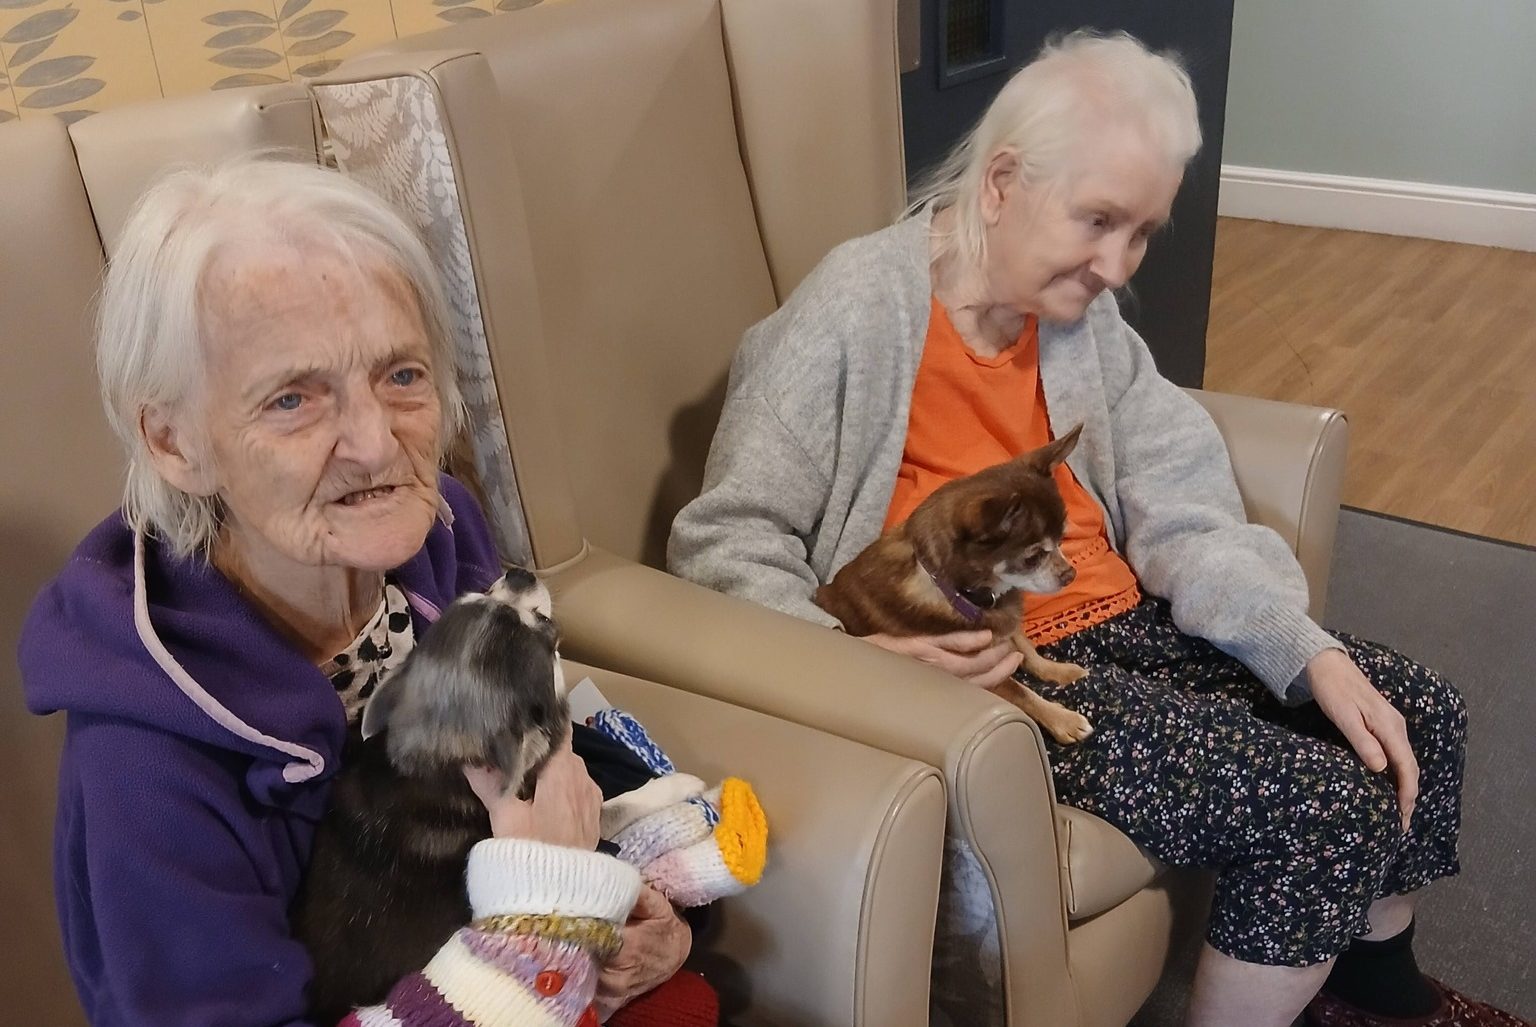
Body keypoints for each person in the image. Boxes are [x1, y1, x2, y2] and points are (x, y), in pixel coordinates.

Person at [669, 30, 1526, 1027]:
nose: (1118, 266)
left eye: (1143, 232)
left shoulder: (1078, 318)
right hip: (1006, 662)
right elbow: (725, 538)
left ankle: (1367, 991)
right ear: (1000, 185)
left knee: (1414, 706)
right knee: (1318, 802)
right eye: (1099, 221)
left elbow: (1185, 504)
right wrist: (865, 659)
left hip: (1127, 621)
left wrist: (1304, 648)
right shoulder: (852, 312)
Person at [19, 159, 704, 1026]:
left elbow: (543, 777)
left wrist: (643, 910)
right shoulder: (144, 769)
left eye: (402, 375)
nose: (378, 445)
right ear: (173, 442)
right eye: (294, 399)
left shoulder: (442, 538)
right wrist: (548, 930)